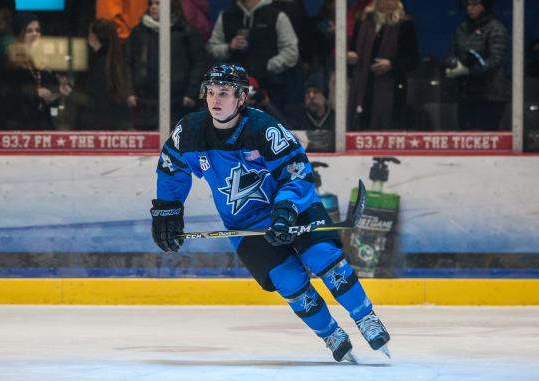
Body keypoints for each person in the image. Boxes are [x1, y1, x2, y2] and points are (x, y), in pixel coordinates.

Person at [150, 63, 391, 363]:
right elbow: (171, 168)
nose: (215, 100)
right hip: (244, 222)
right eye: (211, 92)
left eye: (224, 93)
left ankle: (365, 317)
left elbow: (297, 171)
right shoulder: (190, 132)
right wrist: (167, 212)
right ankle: (331, 333)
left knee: (322, 257)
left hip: (292, 207)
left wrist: (285, 210)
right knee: (287, 279)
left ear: (241, 98)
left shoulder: (263, 129)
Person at [125, 0, 207, 130]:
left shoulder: (185, 32)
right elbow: (128, 62)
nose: (153, 7)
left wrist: (192, 92)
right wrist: (130, 91)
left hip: (178, 101)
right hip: (144, 101)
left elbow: (199, 63)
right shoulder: (138, 32)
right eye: (151, 4)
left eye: (158, 3)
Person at [206, 0, 299, 110]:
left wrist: (267, 66)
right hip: (232, 92)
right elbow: (211, 48)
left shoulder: (277, 16)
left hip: (270, 90)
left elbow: (291, 52)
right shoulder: (226, 16)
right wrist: (228, 47)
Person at [346, 0, 419, 131]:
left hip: (392, 90)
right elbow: (352, 50)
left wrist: (391, 64)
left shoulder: (405, 23)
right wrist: (351, 57)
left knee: (389, 128)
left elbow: (413, 59)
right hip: (363, 88)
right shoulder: (363, 20)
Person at [0, 13, 72, 130]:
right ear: (19, 35)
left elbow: (52, 108)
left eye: (37, 30)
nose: (35, 34)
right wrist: (34, 94)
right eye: (29, 31)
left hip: (41, 131)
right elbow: (4, 96)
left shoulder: (41, 64)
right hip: (16, 131)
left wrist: (57, 93)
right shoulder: (7, 63)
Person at [445, 0, 509, 131]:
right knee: (466, 137)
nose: (470, 8)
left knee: (487, 138)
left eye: (475, 4)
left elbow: (495, 59)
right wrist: (453, 64)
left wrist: (469, 71)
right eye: (468, 4)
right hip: (466, 93)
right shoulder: (462, 28)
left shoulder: (496, 28)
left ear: (485, 6)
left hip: (490, 95)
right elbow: (452, 52)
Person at [77, 19, 129, 130]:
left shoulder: (101, 64)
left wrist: (70, 93)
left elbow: (97, 102)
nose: (88, 36)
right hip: (111, 124)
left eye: (90, 33)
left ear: (95, 36)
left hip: (100, 126)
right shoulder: (113, 60)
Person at [287, 72, 335, 152]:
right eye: (308, 92)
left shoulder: (336, 119)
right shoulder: (296, 119)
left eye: (316, 92)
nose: (311, 96)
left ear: (325, 97)